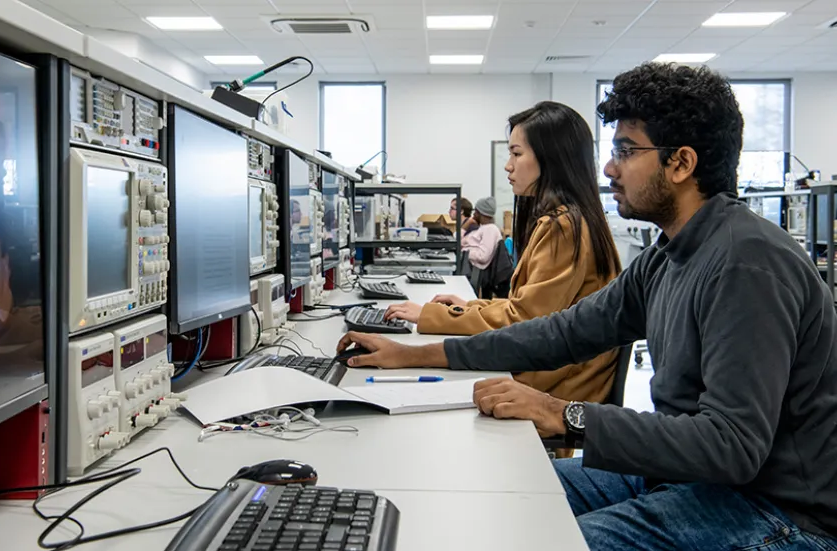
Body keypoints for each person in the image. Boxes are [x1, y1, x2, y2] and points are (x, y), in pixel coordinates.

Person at [337, 62, 837, 550]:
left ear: (681, 163)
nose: (609, 167)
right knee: (496, 492)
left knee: (540, 539)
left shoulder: (745, 264)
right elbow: (562, 332)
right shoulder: (669, 254)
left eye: (626, 150)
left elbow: (732, 446)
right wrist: (417, 354)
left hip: (773, 508)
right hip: (686, 477)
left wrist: (566, 414)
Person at [384, 101, 621, 408]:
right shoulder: (571, 219)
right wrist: (468, 307)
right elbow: (528, 307)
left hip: (549, 389)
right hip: (552, 377)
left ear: (550, 159)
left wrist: (430, 316)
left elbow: (526, 323)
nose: (508, 165)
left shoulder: (564, 227)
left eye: (517, 153)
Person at [459, 196, 503, 270]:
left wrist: (464, 252)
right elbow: (456, 241)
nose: (473, 214)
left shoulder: (490, 229)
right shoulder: (481, 228)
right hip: (466, 267)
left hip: (472, 272)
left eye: (475, 211)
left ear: (480, 213)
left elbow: (482, 256)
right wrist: (467, 224)